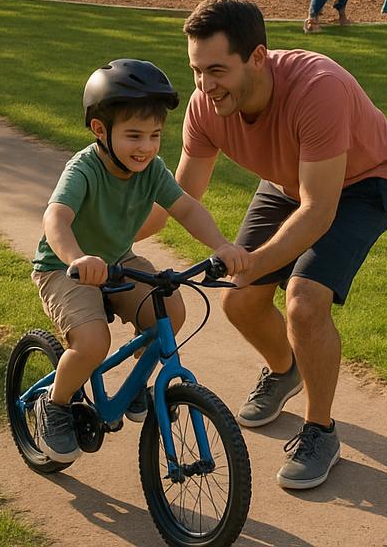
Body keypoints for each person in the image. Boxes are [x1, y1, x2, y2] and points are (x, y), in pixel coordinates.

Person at [143, 0, 387, 491]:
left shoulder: (317, 88)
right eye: (197, 69)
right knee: (241, 304)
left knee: (304, 302)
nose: (204, 85)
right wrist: (104, 237)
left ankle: (320, 431)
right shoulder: (206, 106)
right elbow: (180, 195)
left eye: (216, 70)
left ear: (258, 58)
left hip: (361, 184)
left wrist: (253, 262)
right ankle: (284, 370)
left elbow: (319, 210)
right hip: (289, 183)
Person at [30, 59, 249, 465]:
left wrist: (222, 244)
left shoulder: (152, 170)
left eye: (154, 136)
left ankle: (135, 385)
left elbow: (186, 207)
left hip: (118, 260)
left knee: (171, 310)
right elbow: (55, 218)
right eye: (133, 135)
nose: (146, 147)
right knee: (94, 343)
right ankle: (55, 405)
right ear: (100, 130)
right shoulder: (84, 168)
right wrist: (78, 258)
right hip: (66, 268)